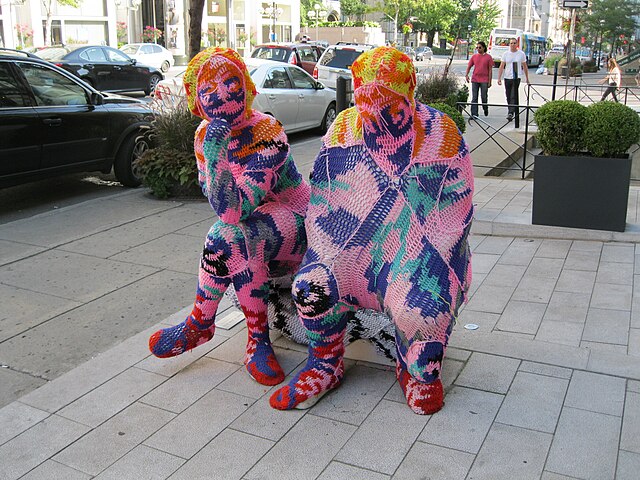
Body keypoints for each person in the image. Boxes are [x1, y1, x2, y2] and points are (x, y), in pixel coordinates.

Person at [269, 46, 474, 415]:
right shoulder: (344, 129)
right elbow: (324, 201)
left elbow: (456, 214)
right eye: (369, 108)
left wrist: (416, 263)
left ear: (410, 93)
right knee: (311, 287)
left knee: (423, 310)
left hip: (420, 255)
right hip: (350, 249)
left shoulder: (441, 134)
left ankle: (411, 361)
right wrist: (327, 254)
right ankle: (326, 362)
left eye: (391, 107)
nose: (378, 119)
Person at [148, 48, 310, 387]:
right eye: (208, 89)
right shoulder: (203, 136)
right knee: (228, 237)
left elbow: (234, 210)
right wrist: (213, 149)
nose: (220, 94)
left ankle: (213, 326)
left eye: (230, 82)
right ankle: (237, 334)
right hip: (256, 225)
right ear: (196, 100)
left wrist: (216, 153)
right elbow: (219, 203)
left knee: (235, 233)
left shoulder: (268, 132)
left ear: (247, 87)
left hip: (298, 223)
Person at [497, 38, 529, 121]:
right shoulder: (505, 54)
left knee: (513, 95)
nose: (513, 45)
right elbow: (501, 66)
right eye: (511, 43)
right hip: (507, 77)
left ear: (517, 44)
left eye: (514, 43)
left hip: (516, 77)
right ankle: (511, 110)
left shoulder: (521, 54)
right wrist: (499, 78)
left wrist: (527, 78)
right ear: (509, 44)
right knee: (508, 95)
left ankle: (511, 113)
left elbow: (524, 66)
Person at [465, 40, 493, 119]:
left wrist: (489, 81)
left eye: (480, 47)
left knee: (483, 96)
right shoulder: (474, 57)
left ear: (484, 48)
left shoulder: (488, 57)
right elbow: (469, 66)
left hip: (484, 79)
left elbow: (490, 70)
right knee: (474, 97)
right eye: (477, 47)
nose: (478, 49)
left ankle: (485, 107)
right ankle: (474, 114)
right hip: (475, 79)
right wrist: (466, 75)